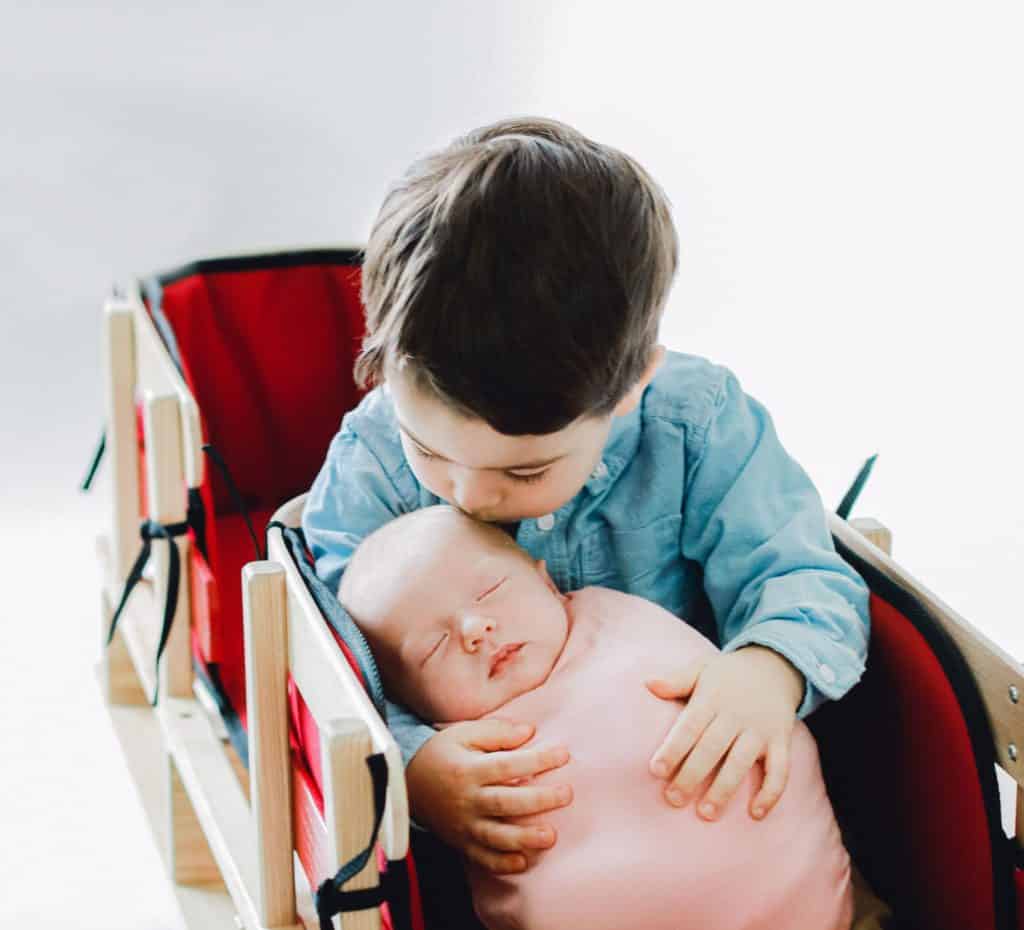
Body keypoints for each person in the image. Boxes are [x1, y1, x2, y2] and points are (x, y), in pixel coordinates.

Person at [303, 116, 870, 882]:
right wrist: (414, 763)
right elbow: (333, 668)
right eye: (430, 450)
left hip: (698, 823)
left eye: (526, 472)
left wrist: (768, 668)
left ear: (631, 387)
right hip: (520, 854)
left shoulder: (695, 424)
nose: (468, 494)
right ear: (383, 370)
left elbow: (806, 578)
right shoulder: (369, 467)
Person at [339, 506, 857, 930]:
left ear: (545, 580)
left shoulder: (620, 618)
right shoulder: (457, 753)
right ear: (412, 700)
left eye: (489, 591)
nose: (475, 627)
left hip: (801, 896)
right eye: (434, 648)